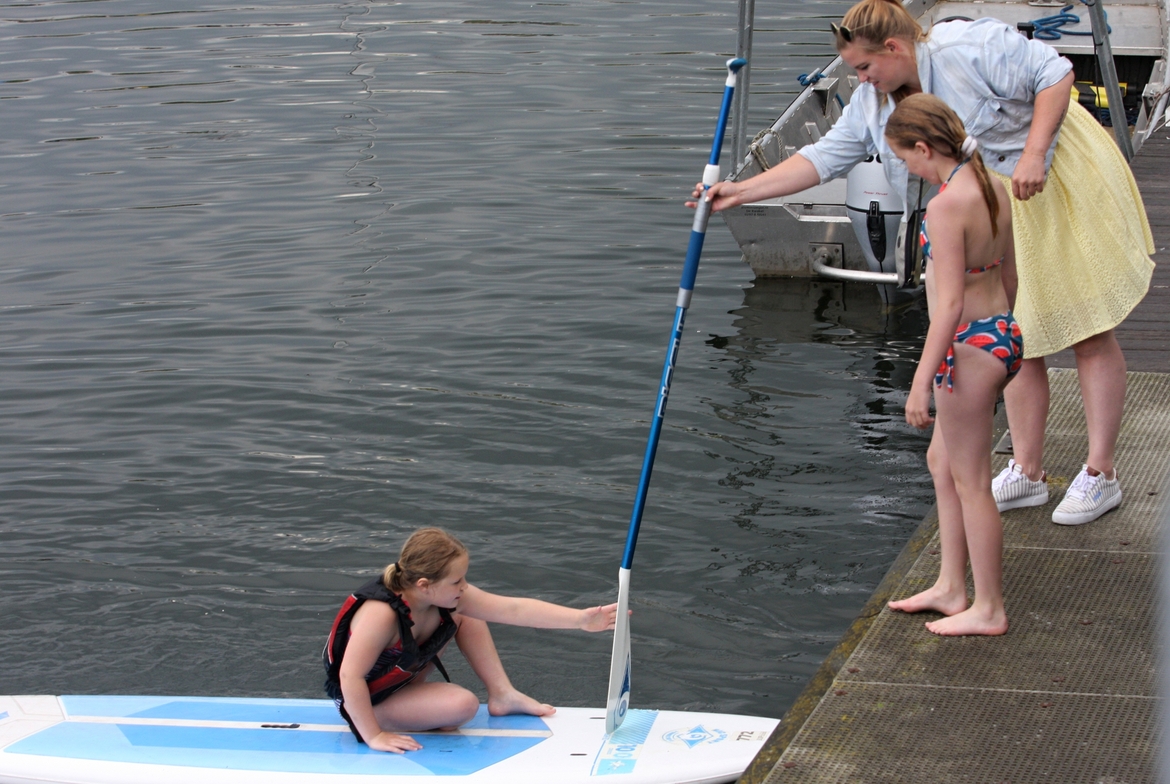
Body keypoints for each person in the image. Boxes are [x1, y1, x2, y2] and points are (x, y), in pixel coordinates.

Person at [691, 0, 1154, 526]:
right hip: (988, 201)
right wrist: (740, 191)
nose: (861, 79)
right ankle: (1027, 470)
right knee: (1019, 332)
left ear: (894, 48)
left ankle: (1100, 473)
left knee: (1088, 327)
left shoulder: (966, 46)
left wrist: (1033, 152)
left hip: (1045, 176)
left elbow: (1056, 74)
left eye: (865, 66)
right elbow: (822, 158)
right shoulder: (872, 101)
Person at [882, 93, 1018, 636]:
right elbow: (1008, 273)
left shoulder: (945, 206)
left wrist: (920, 382)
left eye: (904, 159)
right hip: (1000, 333)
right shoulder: (992, 186)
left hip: (966, 346)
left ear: (923, 148)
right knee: (942, 462)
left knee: (972, 481)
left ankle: (989, 607)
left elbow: (951, 304)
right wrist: (1005, 341)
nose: (907, 169)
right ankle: (950, 585)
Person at [323, 527, 618, 753]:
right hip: (360, 698)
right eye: (457, 581)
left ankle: (503, 693)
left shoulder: (445, 596)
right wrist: (373, 735)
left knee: (465, 611)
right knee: (462, 705)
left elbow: (513, 609)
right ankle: (382, 717)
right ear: (424, 585)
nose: (464, 586)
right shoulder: (380, 615)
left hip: (401, 682)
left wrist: (581, 620)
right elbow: (350, 676)